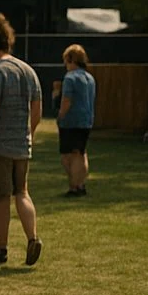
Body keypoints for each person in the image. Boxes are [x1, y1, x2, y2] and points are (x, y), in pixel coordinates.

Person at [0, 14, 43, 265]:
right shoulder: (27, 70)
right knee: (22, 192)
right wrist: (29, 135)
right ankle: (32, 238)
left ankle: (1, 250)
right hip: (22, 146)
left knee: (1, 198)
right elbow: (37, 109)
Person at [56, 43, 96, 197]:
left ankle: (74, 186)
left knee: (68, 156)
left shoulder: (70, 78)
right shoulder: (89, 78)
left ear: (70, 59)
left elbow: (67, 100)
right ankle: (81, 184)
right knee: (81, 152)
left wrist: (60, 116)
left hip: (71, 121)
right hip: (86, 120)